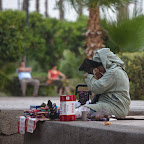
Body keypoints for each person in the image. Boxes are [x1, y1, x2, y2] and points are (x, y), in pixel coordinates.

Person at [77, 48, 131, 120]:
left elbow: (96, 88)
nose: (97, 69)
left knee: (82, 111)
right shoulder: (116, 70)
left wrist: (90, 74)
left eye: (97, 66)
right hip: (112, 105)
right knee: (81, 109)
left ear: (104, 62)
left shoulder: (114, 72)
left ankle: (60, 114)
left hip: (115, 107)